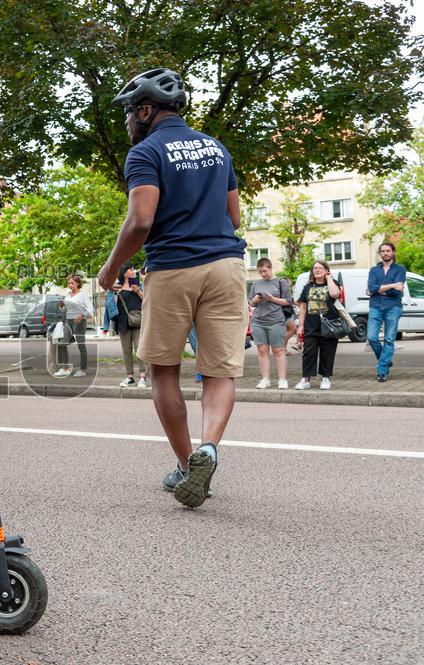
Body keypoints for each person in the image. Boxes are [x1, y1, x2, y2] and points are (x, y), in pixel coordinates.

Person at [97, 68, 247, 508]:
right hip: (225, 265)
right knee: (220, 370)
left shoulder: (146, 153)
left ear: (145, 110)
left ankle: (186, 467)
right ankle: (208, 449)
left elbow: (141, 220)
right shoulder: (218, 149)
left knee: (163, 370)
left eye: (128, 113)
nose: (127, 122)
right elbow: (233, 217)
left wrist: (111, 270)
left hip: (174, 268)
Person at [295, 260, 343, 390]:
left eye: (320, 268)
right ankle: (306, 379)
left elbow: (335, 294)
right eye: (315, 268)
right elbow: (303, 307)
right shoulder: (308, 287)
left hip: (330, 324)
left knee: (327, 352)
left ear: (326, 270)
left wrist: (329, 279)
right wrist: (300, 326)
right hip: (311, 325)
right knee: (308, 353)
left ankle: (326, 378)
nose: (316, 270)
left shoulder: (333, 284)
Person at [248, 258, 291, 390]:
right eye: (260, 272)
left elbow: (288, 301)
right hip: (258, 321)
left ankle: (282, 380)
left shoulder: (281, 282)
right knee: (262, 350)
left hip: (276, 320)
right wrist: (255, 300)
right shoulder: (256, 284)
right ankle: (265, 379)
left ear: (270, 268)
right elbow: (251, 303)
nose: (263, 274)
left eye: (265, 271)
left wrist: (272, 299)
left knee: (278, 350)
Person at [366, 242, 406, 382]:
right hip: (375, 306)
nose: (385, 253)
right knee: (371, 337)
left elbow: (398, 289)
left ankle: (382, 371)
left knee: (389, 339)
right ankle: (386, 361)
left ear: (393, 252)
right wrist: (392, 285)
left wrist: (379, 289)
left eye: (388, 251)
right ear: (380, 253)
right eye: (382, 251)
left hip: (393, 306)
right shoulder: (374, 270)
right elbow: (371, 288)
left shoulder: (400, 269)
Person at [112, 263, 147, 388]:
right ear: (125, 272)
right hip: (123, 321)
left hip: (137, 321)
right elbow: (113, 305)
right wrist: (114, 292)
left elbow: (147, 300)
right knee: (126, 351)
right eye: (131, 269)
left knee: (139, 349)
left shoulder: (139, 284)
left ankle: (143, 376)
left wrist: (138, 290)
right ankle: (130, 377)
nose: (133, 271)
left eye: (133, 269)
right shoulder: (118, 286)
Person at [54, 275, 94, 378]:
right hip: (68, 321)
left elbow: (90, 309)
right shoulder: (68, 295)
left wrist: (82, 315)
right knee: (61, 343)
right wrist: (61, 306)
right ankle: (65, 368)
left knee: (81, 346)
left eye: (72, 283)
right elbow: (64, 310)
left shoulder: (82, 295)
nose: (70, 285)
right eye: (68, 283)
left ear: (77, 283)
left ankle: (82, 369)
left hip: (79, 321)